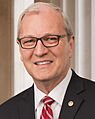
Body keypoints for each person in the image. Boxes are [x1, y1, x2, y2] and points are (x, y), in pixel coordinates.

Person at [0, 2, 95, 119]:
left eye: (50, 39)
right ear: (20, 50)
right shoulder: (5, 113)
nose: (40, 51)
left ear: (70, 45)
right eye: (29, 41)